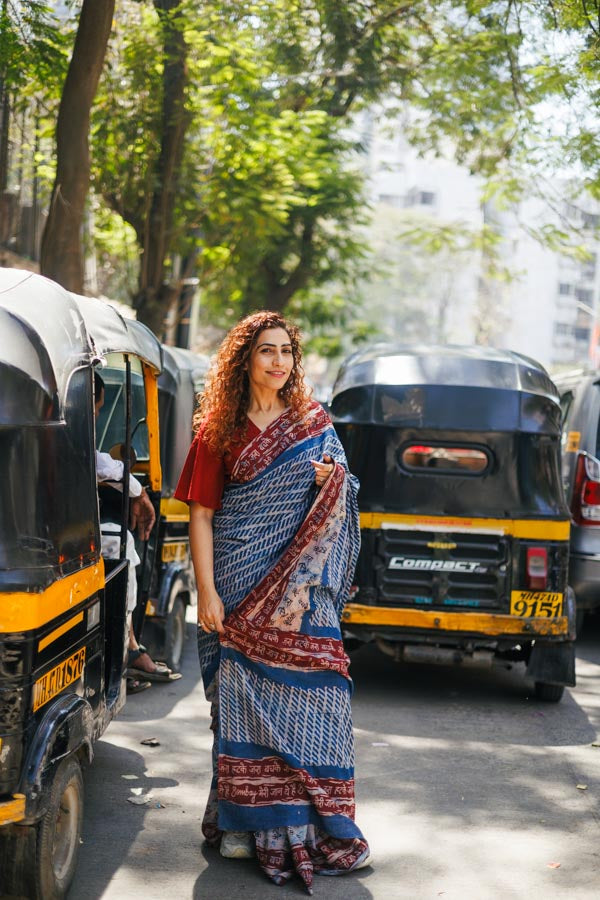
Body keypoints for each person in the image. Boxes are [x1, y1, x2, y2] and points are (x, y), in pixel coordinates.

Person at [174, 311, 371, 894]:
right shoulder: (219, 429)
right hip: (236, 580)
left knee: (320, 701)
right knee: (240, 702)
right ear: (245, 359)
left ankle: (314, 821)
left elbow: (347, 492)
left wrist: (330, 479)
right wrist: (206, 591)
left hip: (303, 587)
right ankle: (244, 824)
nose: (278, 361)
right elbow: (202, 514)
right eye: (266, 350)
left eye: (287, 351)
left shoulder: (314, 421)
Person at [94, 369, 179, 691]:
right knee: (121, 544)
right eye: (97, 409)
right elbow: (98, 463)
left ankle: (127, 645)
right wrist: (139, 493)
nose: (97, 416)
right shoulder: (65, 431)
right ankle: (129, 647)